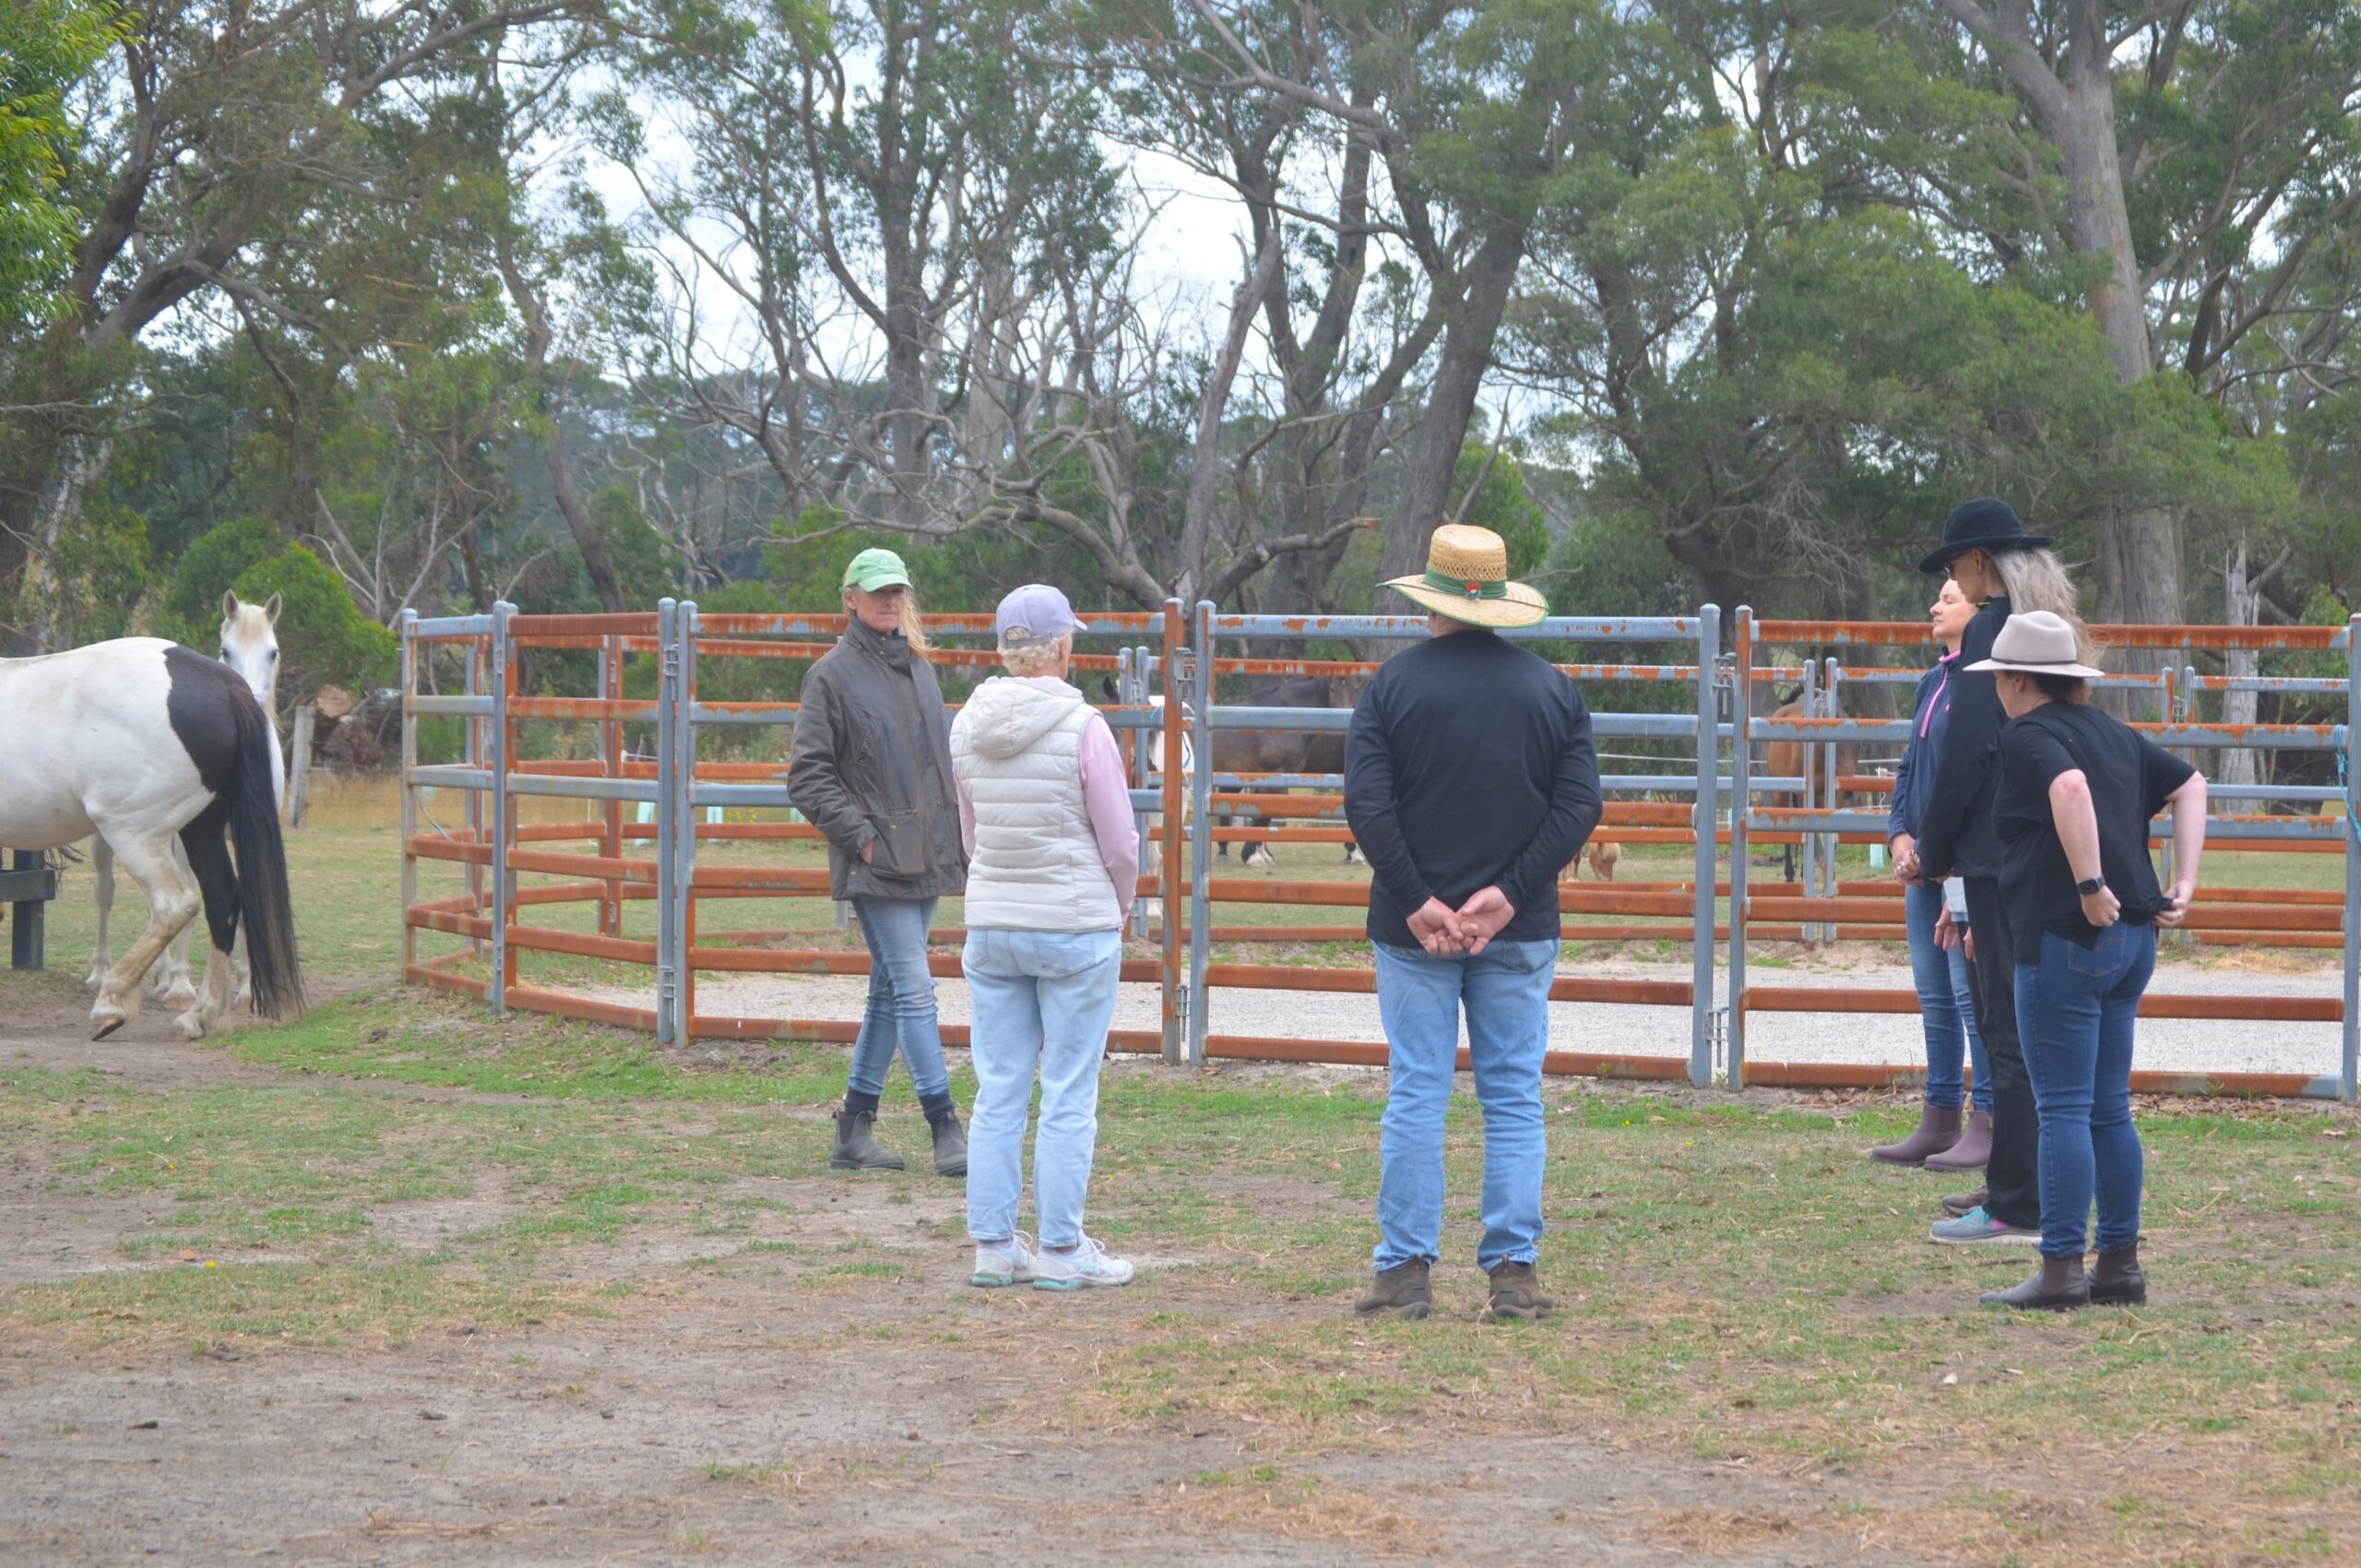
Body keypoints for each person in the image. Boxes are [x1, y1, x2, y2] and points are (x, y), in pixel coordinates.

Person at [1344, 524, 1603, 1323]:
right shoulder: (1552, 691)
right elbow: (1579, 806)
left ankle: (1404, 1271)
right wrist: (1511, 893)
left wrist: (1419, 896)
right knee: (1515, 1095)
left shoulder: (1389, 688)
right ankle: (1513, 1272)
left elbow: (1367, 803)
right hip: (1516, 930)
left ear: (1432, 598)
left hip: (1411, 927)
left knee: (1418, 1091)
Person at [1964, 612, 2206, 1309]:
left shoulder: (2028, 735)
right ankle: (2119, 1264)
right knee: (2109, 1109)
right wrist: (2182, 883)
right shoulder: (2115, 733)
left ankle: (2062, 1267)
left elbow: (2068, 791)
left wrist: (2089, 882)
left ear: (2014, 681)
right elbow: (2191, 785)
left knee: (2062, 1109)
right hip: (2135, 938)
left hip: (2065, 937)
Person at [1902, 498, 2093, 1243]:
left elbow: (1969, 751)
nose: (1953, 578)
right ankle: (2017, 1182)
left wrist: (1937, 850)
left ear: (1977, 563)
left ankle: (2016, 1201)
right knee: (2020, 1025)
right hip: (2031, 848)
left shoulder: (1988, 631)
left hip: (1990, 856)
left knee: (2004, 1027)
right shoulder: (2042, 629)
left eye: (1954, 566)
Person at [950, 585, 1141, 1290]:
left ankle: (994, 1246)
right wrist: (1118, 904)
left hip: (994, 920)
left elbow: (973, 833)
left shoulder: (965, 724)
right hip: (1074, 924)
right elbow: (1118, 839)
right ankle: (1063, 1248)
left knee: (999, 1087)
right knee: (1067, 1090)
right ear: (1063, 648)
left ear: (1003, 649)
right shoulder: (1085, 726)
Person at [787, 548, 969, 1178]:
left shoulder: (920, 670)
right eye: (877, 591)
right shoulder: (831, 677)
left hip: (927, 855)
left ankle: (855, 1127)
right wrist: (862, 840)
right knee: (916, 992)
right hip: (879, 864)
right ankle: (944, 1125)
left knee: (891, 994)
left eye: (897, 590)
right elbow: (808, 777)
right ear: (851, 599)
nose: (889, 600)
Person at [1871, 578, 1989, 1166]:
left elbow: (1975, 783)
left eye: (1948, 598)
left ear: (1980, 609)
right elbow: (1909, 769)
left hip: (1960, 869)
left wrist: (1949, 864)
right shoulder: (1932, 682)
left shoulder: (1985, 684)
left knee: (1973, 998)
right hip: (1921, 869)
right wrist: (1899, 836)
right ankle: (1941, 1115)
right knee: (1934, 996)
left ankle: (1988, 1119)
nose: (1934, 607)